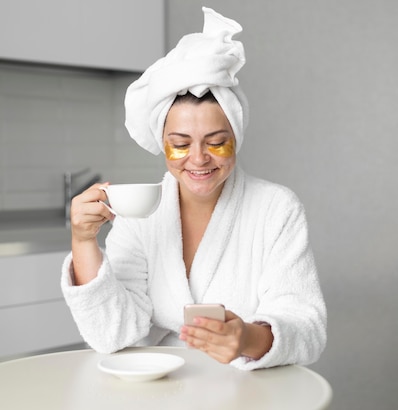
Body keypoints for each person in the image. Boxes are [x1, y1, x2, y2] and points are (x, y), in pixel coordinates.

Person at [61, 7, 327, 370]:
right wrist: (83, 241)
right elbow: (112, 332)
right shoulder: (141, 215)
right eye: (180, 143)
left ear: (236, 137)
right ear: (163, 142)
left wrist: (247, 338)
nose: (198, 159)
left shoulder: (275, 207)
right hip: (161, 386)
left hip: (249, 388)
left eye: (216, 141)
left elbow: (307, 326)